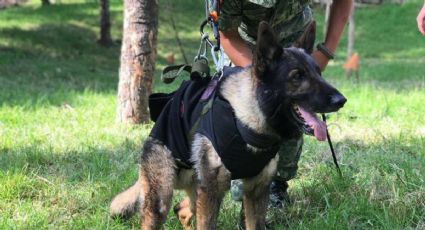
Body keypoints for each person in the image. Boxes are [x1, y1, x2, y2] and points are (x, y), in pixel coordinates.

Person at [217, 0, 353, 210]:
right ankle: (239, 179)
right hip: (246, 49)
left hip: (297, 41)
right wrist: (260, 76)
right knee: (244, 125)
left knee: (291, 114)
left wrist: (324, 52)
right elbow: (228, 36)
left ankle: (276, 186)